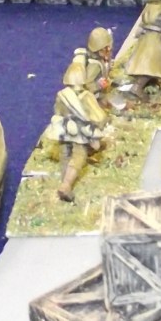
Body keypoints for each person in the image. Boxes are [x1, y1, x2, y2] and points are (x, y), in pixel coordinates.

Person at [45, 63, 108, 202]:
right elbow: (98, 116)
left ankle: (64, 180)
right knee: (79, 156)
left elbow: (57, 111)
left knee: (65, 153)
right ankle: (66, 185)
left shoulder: (61, 95)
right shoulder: (87, 96)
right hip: (80, 131)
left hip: (65, 129)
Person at [71, 27, 113, 103]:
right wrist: (99, 85)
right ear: (99, 50)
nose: (109, 51)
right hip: (91, 96)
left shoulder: (97, 59)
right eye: (106, 49)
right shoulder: (95, 66)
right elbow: (87, 84)